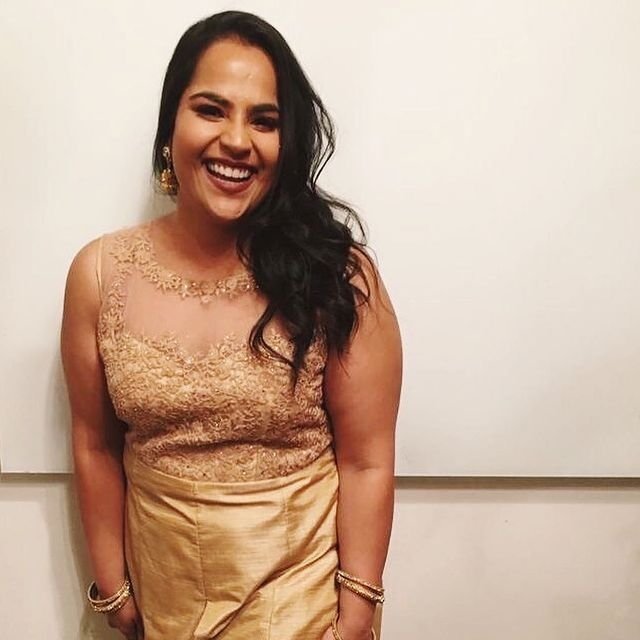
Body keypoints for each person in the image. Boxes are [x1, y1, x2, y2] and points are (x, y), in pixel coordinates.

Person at [61, 10, 402, 640]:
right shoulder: (101, 274)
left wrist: (356, 616)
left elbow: (367, 461)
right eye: (211, 110)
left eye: (264, 120)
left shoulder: (335, 275)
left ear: (286, 143)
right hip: (160, 607)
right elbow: (94, 443)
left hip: (302, 612)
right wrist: (115, 593)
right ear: (170, 124)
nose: (238, 140)